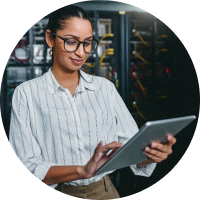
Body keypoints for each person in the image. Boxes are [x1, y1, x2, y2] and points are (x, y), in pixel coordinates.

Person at [9, 5, 176, 200]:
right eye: (71, 42)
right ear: (49, 38)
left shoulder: (105, 88)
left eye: (88, 43)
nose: (81, 52)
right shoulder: (26, 94)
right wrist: (82, 170)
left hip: (104, 192)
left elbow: (130, 150)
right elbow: (27, 164)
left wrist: (150, 154)